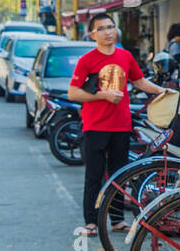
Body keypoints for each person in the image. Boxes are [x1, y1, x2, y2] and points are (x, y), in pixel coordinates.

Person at [69, 13, 168, 236]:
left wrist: (163, 91)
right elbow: (73, 92)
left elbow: (140, 81)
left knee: (119, 175)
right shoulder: (87, 60)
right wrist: (102, 96)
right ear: (93, 34)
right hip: (95, 126)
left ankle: (116, 219)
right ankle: (91, 222)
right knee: (94, 175)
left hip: (121, 126)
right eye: (102, 28)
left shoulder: (125, 56)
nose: (108, 32)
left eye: (111, 27)